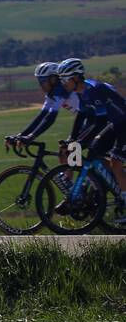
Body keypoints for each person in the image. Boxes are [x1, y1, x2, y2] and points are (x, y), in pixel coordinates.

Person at [56, 57, 126, 222]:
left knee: (116, 163)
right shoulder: (81, 92)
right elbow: (83, 116)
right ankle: (112, 185)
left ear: (76, 77)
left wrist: (79, 142)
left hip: (123, 124)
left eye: (65, 79)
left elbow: (99, 121)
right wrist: (74, 140)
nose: (63, 83)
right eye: (61, 80)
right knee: (94, 150)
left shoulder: (94, 89)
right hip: (115, 124)